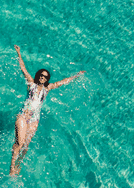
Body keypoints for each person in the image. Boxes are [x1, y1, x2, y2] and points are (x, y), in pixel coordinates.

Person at [10, 45, 85, 176]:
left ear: (46, 79)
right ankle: (11, 168)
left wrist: (76, 76)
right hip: (24, 115)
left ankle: (18, 165)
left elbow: (62, 82)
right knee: (19, 142)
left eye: (45, 77)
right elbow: (23, 68)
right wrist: (19, 53)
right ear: (38, 76)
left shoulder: (47, 89)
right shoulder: (31, 84)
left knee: (26, 146)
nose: (42, 78)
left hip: (35, 120)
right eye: (41, 75)